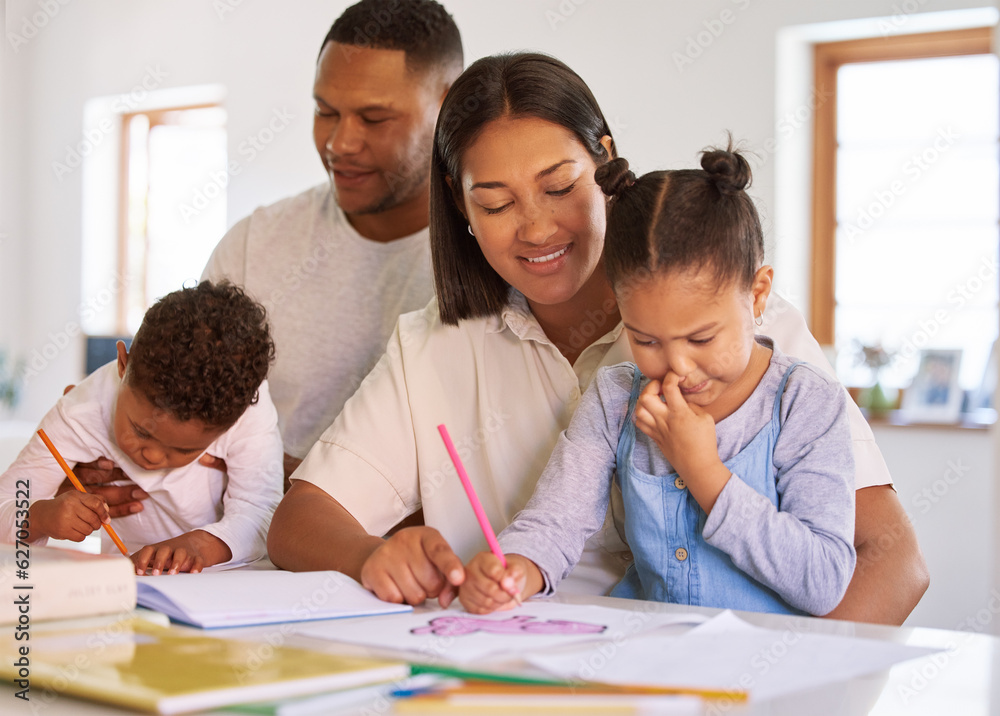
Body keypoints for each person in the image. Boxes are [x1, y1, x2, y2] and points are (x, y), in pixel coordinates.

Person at [268, 52, 928, 625]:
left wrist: (775, 685)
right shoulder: (436, 344)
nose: (534, 228)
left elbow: (893, 563)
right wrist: (371, 554)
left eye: (559, 188)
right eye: (495, 204)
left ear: (605, 164)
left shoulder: (750, 332)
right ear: (459, 203)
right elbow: (300, 522)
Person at [66, 0, 464, 510]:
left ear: (450, 106)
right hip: (226, 566)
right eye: (325, 112)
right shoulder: (256, 244)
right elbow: (179, 422)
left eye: (373, 117)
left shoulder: (488, 261)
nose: (339, 142)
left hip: (400, 574)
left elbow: (471, 488)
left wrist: (282, 479)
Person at [459, 149, 856, 616]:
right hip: (645, 664)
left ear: (757, 294)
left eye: (702, 338)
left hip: (763, 670)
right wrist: (518, 568)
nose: (678, 367)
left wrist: (704, 471)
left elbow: (823, 580)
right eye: (645, 339)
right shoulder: (615, 400)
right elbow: (556, 520)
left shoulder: (803, 401)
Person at [0, 282, 283, 575]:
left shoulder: (245, 406)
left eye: (185, 449)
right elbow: (5, 504)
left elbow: (264, 514)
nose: (152, 456)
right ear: (124, 363)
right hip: (128, 587)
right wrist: (38, 517)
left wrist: (198, 547)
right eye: (141, 430)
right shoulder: (80, 413)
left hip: (228, 585)